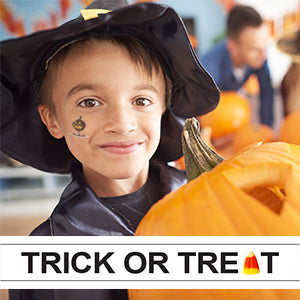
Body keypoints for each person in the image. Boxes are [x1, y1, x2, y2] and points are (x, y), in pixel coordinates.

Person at [0, 0, 219, 299]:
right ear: (53, 120)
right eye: (90, 102)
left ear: (163, 108)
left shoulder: (210, 203)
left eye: (141, 100)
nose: (122, 124)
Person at [201, 4, 274, 127]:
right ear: (233, 47)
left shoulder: (260, 58)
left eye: (265, 47)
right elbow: (195, 108)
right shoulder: (210, 66)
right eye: (255, 49)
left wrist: (266, 129)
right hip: (213, 113)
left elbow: (267, 92)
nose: (264, 55)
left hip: (233, 108)